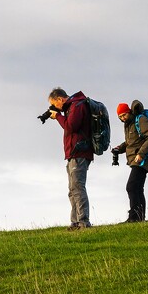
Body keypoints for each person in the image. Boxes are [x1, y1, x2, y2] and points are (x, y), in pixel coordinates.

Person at [46, 87, 94, 229]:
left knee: (78, 187)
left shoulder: (77, 105)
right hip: (74, 153)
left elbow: (71, 126)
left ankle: (83, 221)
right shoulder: (72, 106)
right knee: (72, 189)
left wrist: (58, 117)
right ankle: (75, 222)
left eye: (55, 104)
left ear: (60, 99)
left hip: (79, 152)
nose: (55, 107)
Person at [112, 100, 148, 223]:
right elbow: (130, 142)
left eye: (124, 115)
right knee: (137, 188)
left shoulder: (140, 119)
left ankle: (134, 217)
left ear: (129, 112)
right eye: (120, 117)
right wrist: (119, 148)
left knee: (132, 186)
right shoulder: (128, 124)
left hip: (142, 158)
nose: (122, 118)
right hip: (135, 159)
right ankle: (138, 218)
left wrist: (141, 154)